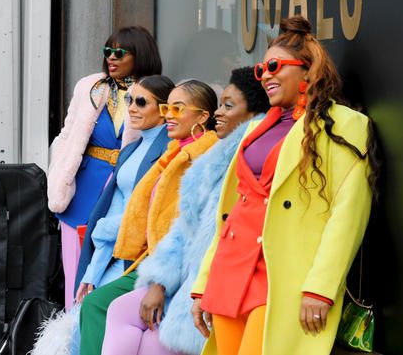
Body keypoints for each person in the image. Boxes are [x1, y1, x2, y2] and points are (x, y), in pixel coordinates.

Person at [190, 15, 379, 355]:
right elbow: (229, 212)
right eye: (261, 70)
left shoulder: (343, 126)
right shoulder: (255, 129)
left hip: (283, 277)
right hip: (231, 271)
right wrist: (204, 283)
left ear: (308, 69)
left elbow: (348, 214)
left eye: (275, 66)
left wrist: (321, 288)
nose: (266, 76)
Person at [99, 67, 271, 355]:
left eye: (228, 106)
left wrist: (196, 290)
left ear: (252, 116)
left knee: (155, 337)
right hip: (182, 278)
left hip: (211, 287)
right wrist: (160, 281)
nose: (218, 112)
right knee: (120, 311)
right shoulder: (211, 160)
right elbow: (182, 229)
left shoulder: (242, 163)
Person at [79, 80, 220, 355]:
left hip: (179, 272)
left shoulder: (201, 158)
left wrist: (160, 281)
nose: (169, 115)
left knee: (113, 311)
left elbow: (186, 229)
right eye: (168, 107)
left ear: (203, 117)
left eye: (178, 109)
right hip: (152, 260)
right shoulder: (174, 153)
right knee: (99, 305)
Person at [48, 26, 162, 311]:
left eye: (120, 52)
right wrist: (58, 175)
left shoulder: (154, 92)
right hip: (83, 189)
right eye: (107, 51)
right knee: (76, 276)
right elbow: (66, 135)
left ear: (140, 55)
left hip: (124, 190)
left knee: (111, 272)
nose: (111, 57)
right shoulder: (90, 86)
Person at [76, 75, 175, 302]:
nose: (131, 108)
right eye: (129, 100)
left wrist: (106, 228)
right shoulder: (129, 151)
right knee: (82, 311)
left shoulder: (171, 151)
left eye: (141, 102)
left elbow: (156, 216)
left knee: (96, 310)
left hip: (147, 260)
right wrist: (91, 275)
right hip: (118, 255)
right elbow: (113, 211)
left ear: (163, 110)